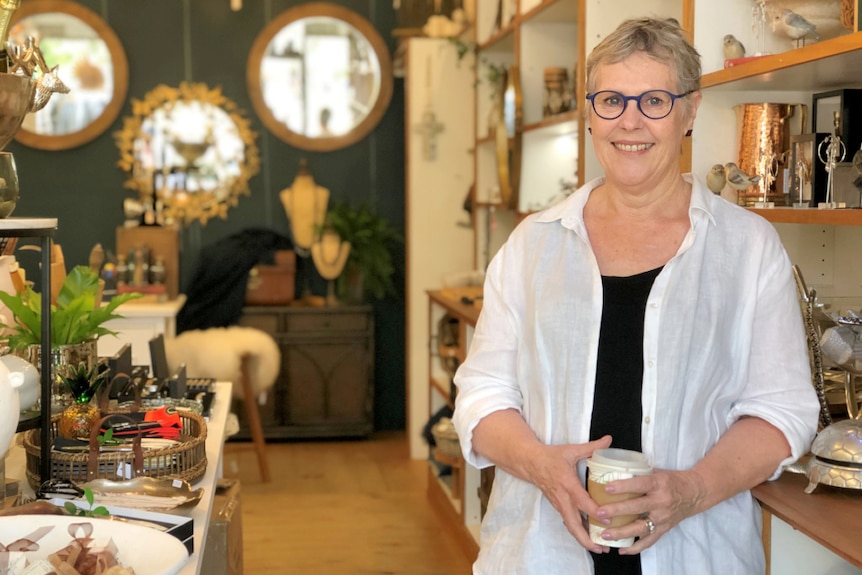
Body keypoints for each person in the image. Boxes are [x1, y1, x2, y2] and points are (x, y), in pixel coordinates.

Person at [451, 17, 819, 575]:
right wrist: (542, 465)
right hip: (541, 555)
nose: (630, 122)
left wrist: (691, 489)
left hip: (695, 556)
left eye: (653, 100)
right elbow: (481, 397)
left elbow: (782, 410)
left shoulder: (746, 249)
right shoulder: (532, 243)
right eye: (611, 100)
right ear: (589, 111)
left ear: (690, 111)